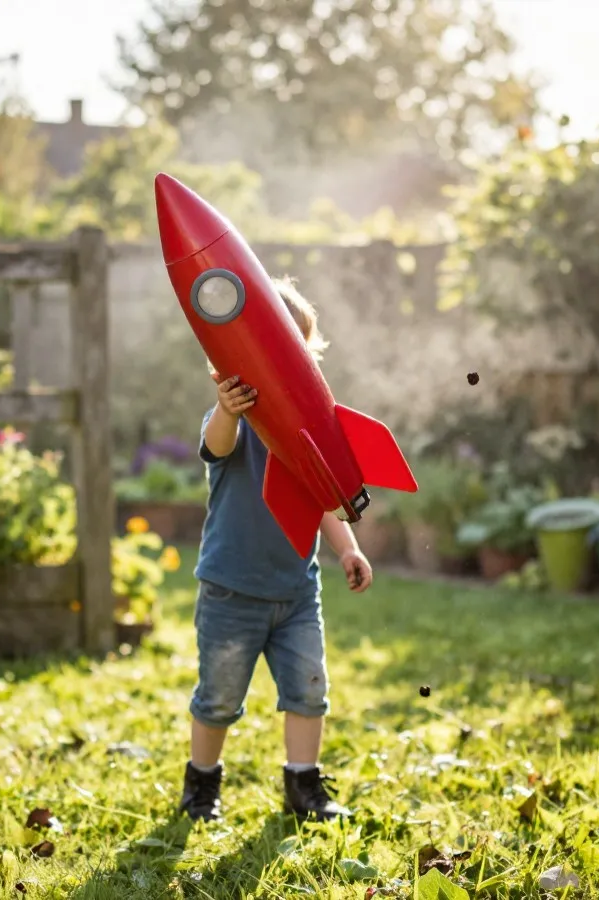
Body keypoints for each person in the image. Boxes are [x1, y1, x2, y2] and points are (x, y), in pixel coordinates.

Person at [179, 276, 373, 824]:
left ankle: (304, 786)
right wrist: (227, 409)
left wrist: (348, 549)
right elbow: (215, 446)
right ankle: (201, 786)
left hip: (296, 593)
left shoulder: (307, 429)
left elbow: (323, 497)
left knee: (309, 691)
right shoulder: (234, 421)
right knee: (218, 698)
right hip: (231, 592)